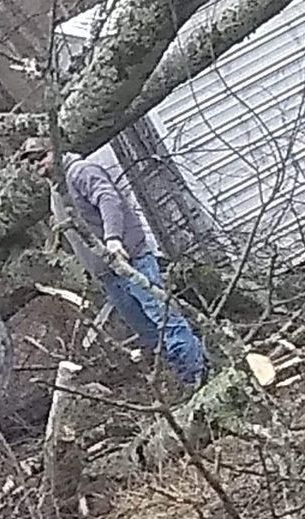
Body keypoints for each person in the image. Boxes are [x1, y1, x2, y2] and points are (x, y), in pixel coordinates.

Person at [19, 136, 206, 386]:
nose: (36, 165)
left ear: (56, 150)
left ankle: (198, 373)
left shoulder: (80, 172)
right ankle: (186, 377)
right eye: (30, 163)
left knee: (163, 319)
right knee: (147, 331)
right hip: (107, 274)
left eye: (40, 157)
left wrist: (114, 240)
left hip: (130, 260)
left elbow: (108, 200)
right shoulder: (55, 190)